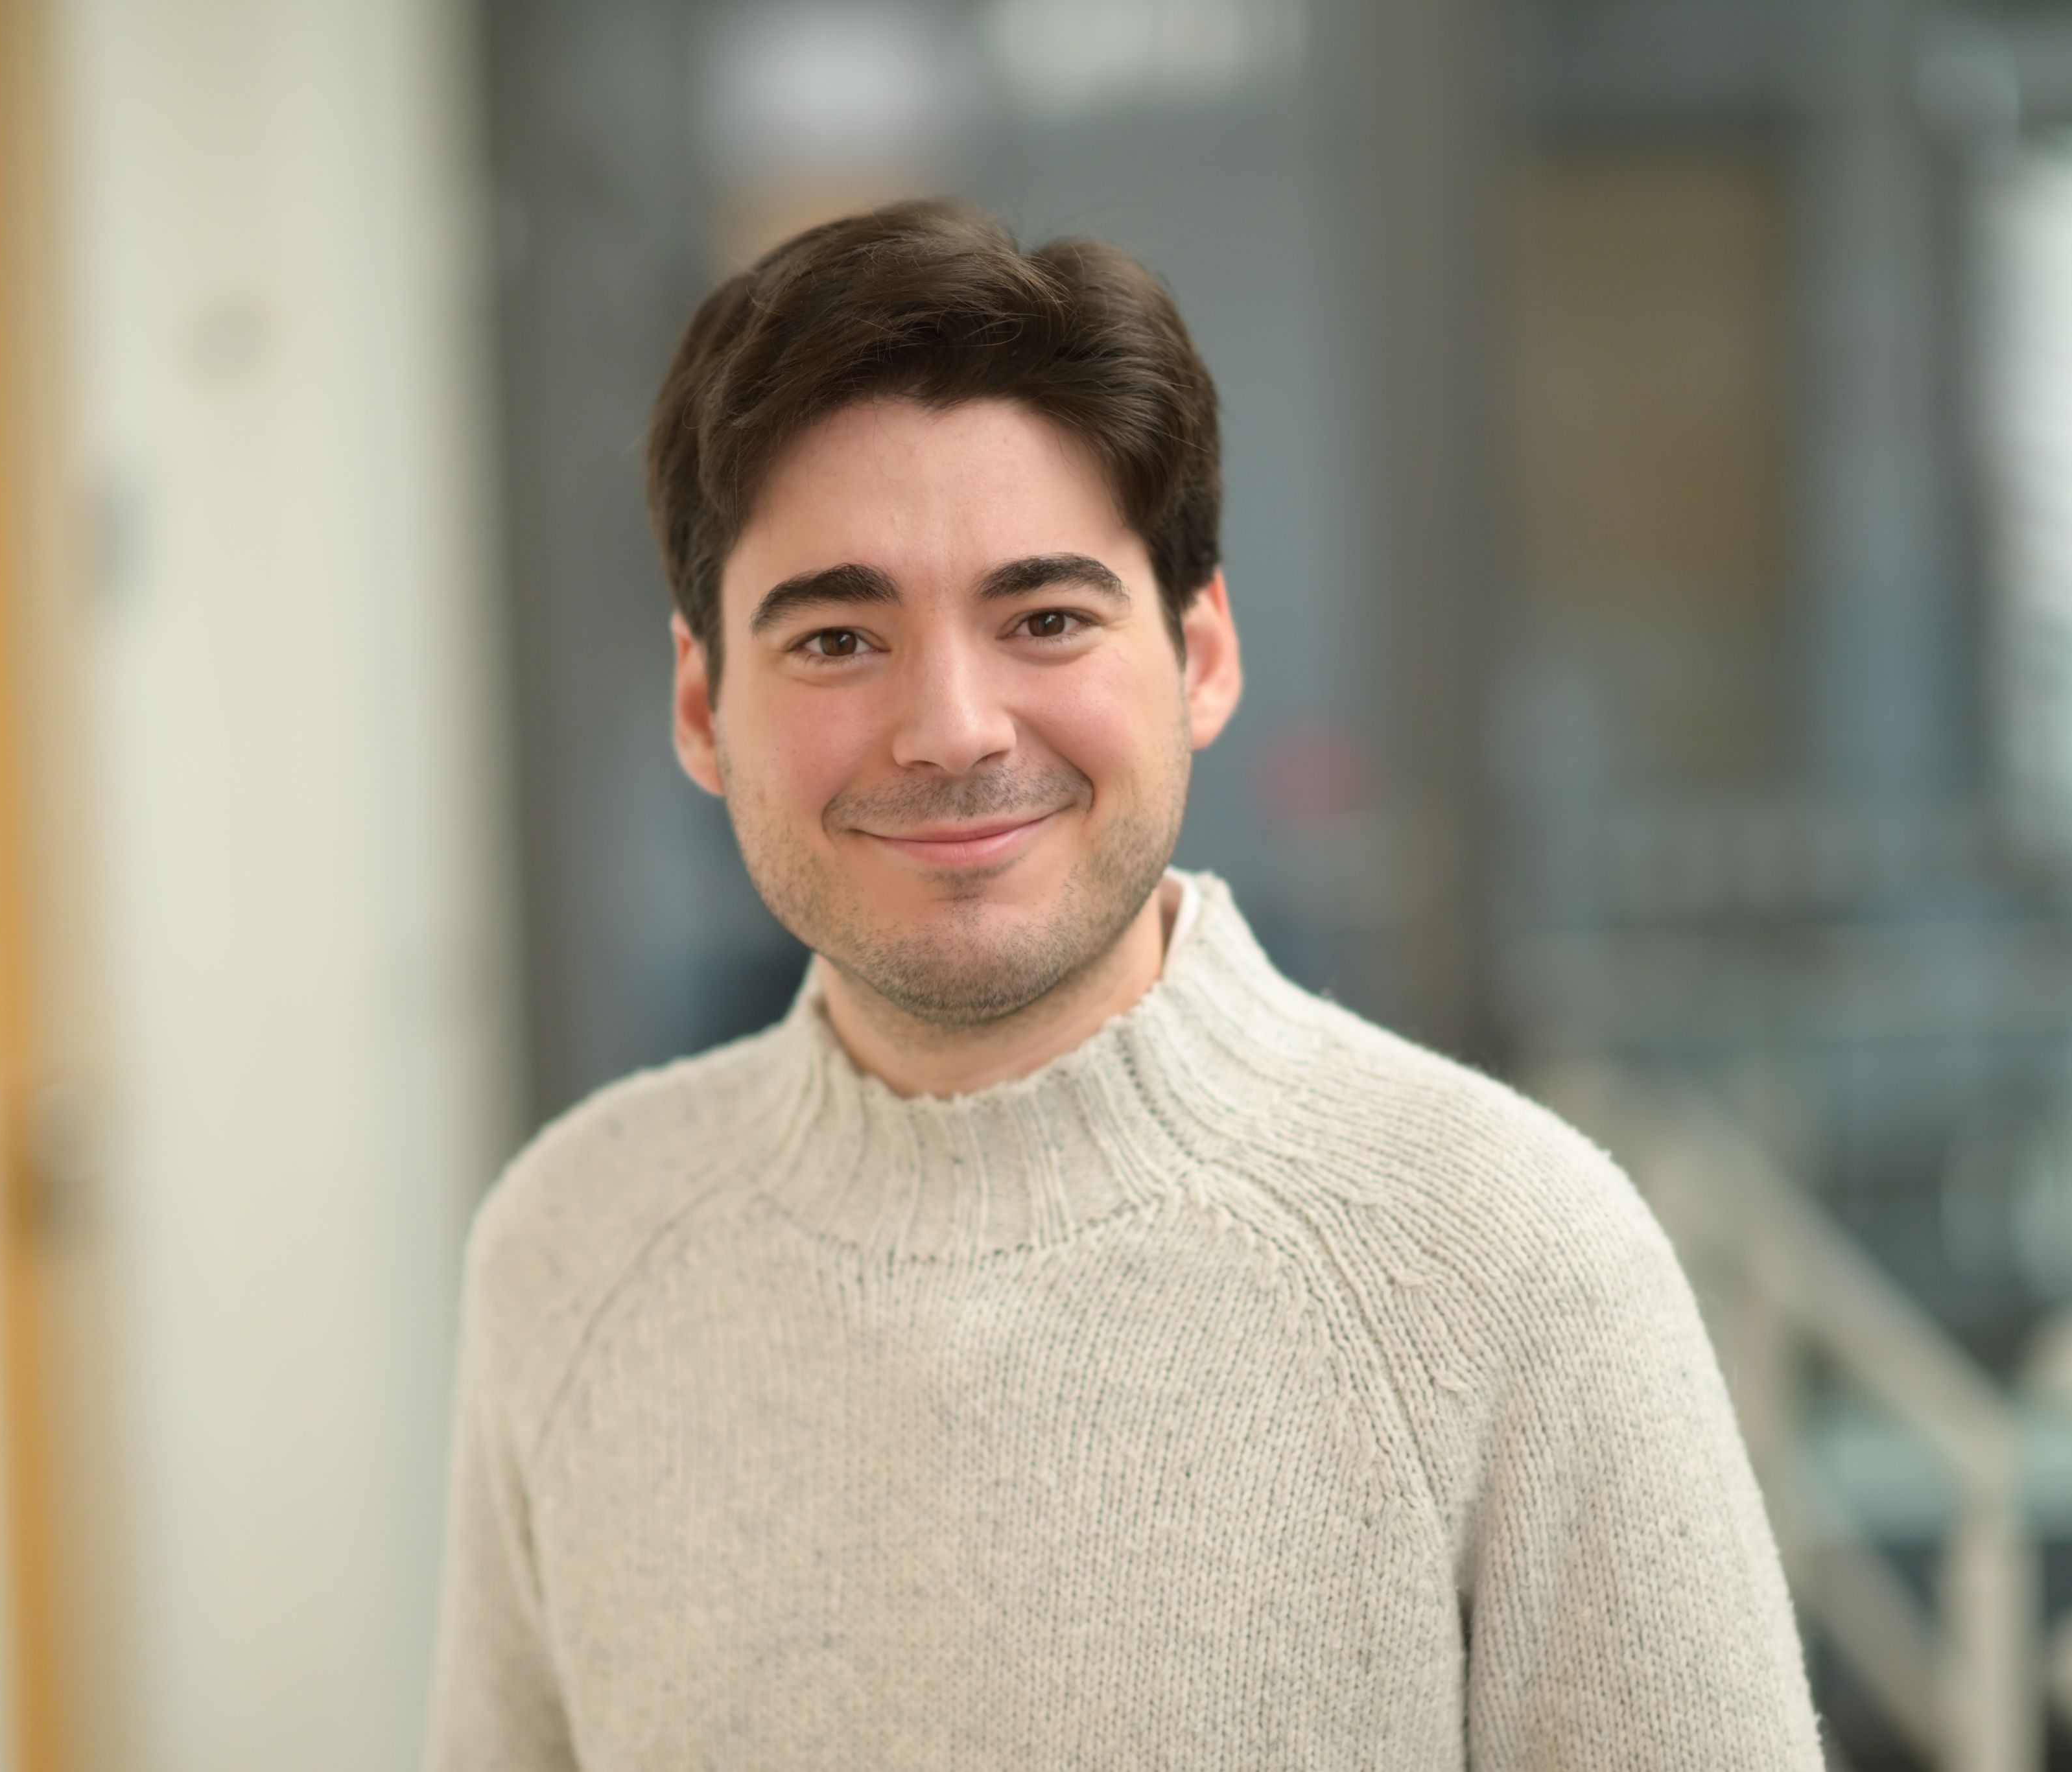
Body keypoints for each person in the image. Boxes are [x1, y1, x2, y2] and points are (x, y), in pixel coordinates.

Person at [423, 200, 1820, 1769]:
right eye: (835, 639)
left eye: (1045, 618)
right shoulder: (569, 1248)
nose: (952, 727)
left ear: (1199, 656)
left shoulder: (1515, 1260)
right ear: (700, 706)